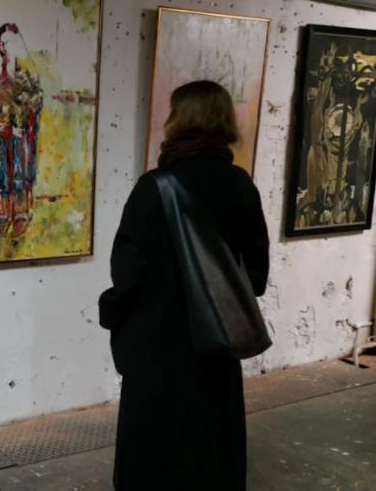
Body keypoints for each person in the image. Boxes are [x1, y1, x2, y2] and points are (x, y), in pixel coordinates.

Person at [99, 80, 270, 490]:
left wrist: (113, 312)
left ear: (179, 120)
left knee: (153, 454)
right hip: (216, 345)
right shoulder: (240, 185)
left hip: (156, 349)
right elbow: (256, 277)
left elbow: (127, 273)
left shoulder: (154, 187)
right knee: (212, 450)